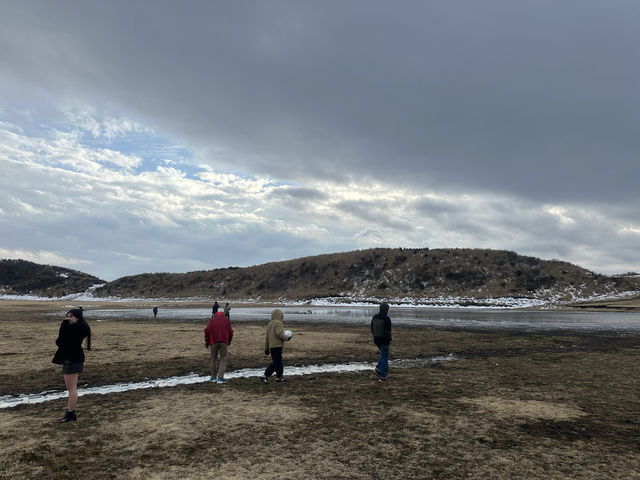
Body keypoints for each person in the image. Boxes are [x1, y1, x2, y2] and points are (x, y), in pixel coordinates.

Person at [51, 308, 91, 422]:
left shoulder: (76, 329)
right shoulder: (81, 327)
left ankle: (71, 413)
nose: (68, 319)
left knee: (72, 389)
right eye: (68, 316)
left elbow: (60, 341)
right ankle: (71, 412)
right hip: (74, 358)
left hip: (72, 359)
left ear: (77, 318)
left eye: (71, 317)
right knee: (71, 388)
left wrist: (64, 326)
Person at [260, 309, 290, 384]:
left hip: (272, 347)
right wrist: (287, 338)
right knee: (276, 363)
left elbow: (267, 337)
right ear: (280, 315)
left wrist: (266, 348)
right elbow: (279, 333)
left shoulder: (270, 324)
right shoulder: (279, 323)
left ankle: (279, 377)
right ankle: (264, 376)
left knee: (278, 362)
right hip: (277, 346)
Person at [204, 311, 234, 384]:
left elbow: (207, 330)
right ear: (223, 315)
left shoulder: (212, 321)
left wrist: (207, 342)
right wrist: (229, 341)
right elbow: (230, 332)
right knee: (223, 358)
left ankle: (213, 377)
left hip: (213, 342)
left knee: (213, 358)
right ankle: (220, 378)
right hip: (223, 342)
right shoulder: (226, 321)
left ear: (215, 315)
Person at [371, 302, 392, 381]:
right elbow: (388, 331)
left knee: (383, 355)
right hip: (384, 341)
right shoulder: (386, 319)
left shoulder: (375, 317)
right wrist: (389, 340)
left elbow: (372, 329)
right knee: (385, 357)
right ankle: (383, 375)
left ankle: (378, 369)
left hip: (376, 340)